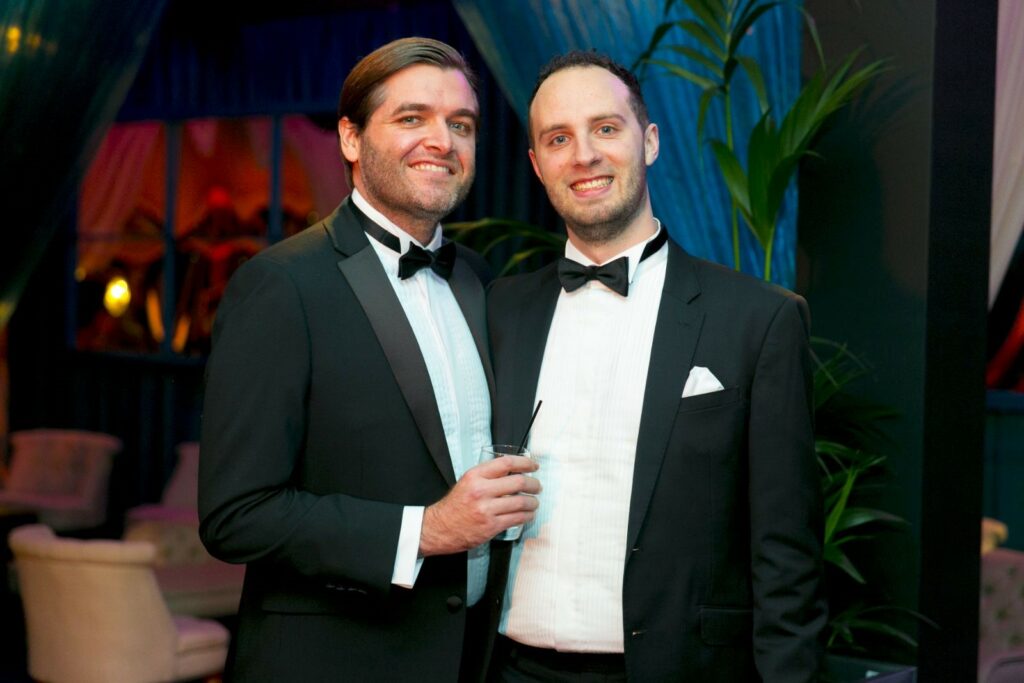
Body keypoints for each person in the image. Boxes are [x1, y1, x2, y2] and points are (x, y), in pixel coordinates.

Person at [198, 37, 539, 682]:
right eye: (412, 118)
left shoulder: (476, 277)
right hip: (333, 662)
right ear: (351, 139)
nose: (442, 140)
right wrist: (426, 530)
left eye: (460, 124)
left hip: (469, 660)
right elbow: (235, 517)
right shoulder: (280, 285)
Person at [487, 51, 827, 682]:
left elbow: (787, 558)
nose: (583, 154)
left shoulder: (758, 320)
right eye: (558, 138)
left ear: (649, 141)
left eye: (606, 129)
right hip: (511, 670)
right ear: (536, 166)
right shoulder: (499, 311)